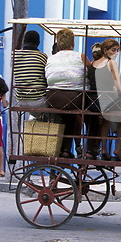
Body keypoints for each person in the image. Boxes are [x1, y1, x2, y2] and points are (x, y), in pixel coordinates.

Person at [45, 28, 91, 158]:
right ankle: (90, 148)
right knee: (88, 115)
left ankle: (65, 149)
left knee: (68, 117)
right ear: (73, 42)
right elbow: (91, 75)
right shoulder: (81, 56)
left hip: (53, 97)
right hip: (75, 98)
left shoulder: (51, 58)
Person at [87, 39, 121, 160]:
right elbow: (118, 85)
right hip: (104, 101)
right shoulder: (111, 63)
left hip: (91, 102)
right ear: (105, 50)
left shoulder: (92, 64)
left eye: (117, 50)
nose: (116, 53)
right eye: (113, 50)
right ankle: (118, 149)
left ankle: (102, 148)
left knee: (106, 118)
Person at [12, 30, 48, 117]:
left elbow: (16, 48)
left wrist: (21, 31)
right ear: (38, 43)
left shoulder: (15, 55)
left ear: (24, 41)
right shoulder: (42, 56)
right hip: (39, 101)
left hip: (21, 101)